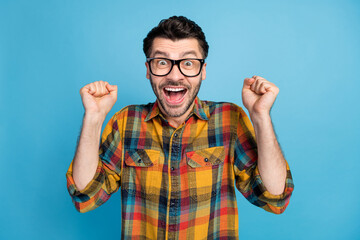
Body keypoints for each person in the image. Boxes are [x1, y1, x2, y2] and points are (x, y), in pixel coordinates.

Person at [66, 16, 294, 239]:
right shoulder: (126, 121)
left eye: (188, 63)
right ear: (148, 70)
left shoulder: (229, 120)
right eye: (162, 62)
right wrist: (93, 117)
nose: (175, 76)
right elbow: (86, 196)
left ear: (202, 71)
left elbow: (275, 198)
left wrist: (260, 116)